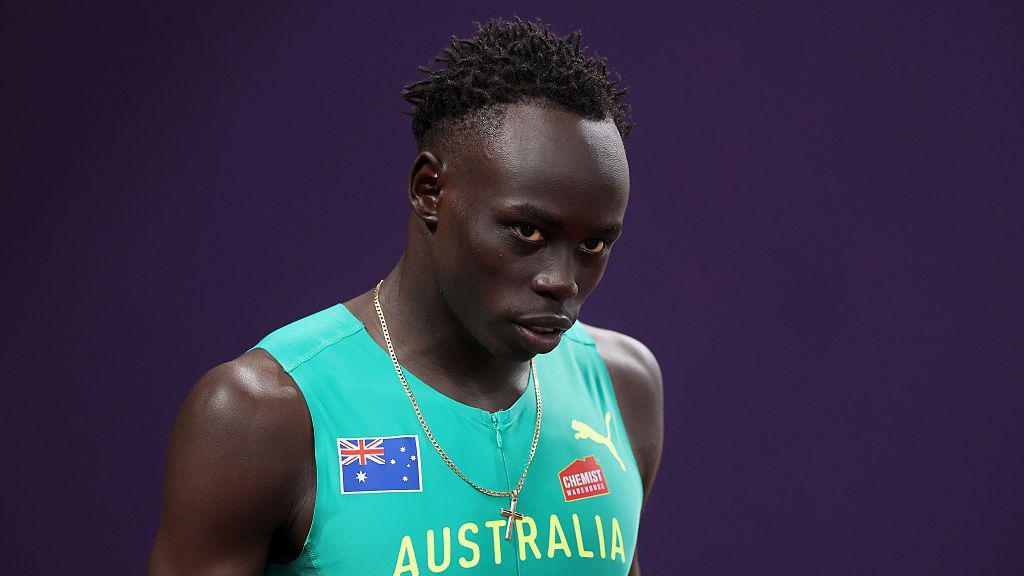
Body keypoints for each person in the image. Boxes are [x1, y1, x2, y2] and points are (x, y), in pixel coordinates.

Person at [148, 17, 664, 576]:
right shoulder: (265, 415)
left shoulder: (620, 386)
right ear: (430, 192)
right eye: (527, 232)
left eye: (594, 243)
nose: (562, 281)